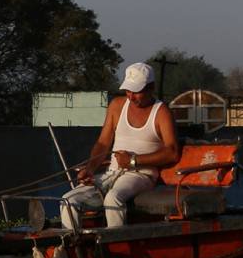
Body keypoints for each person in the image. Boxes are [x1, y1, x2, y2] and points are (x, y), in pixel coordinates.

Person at [60, 62, 181, 229]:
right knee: (68, 200)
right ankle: (73, 247)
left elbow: (172, 152)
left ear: (151, 87)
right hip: (113, 172)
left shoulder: (161, 112)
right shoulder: (117, 105)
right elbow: (103, 142)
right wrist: (90, 169)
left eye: (136, 92)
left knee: (113, 198)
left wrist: (133, 161)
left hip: (142, 176)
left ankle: (116, 243)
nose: (131, 96)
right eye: (128, 90)